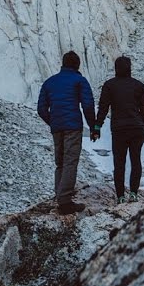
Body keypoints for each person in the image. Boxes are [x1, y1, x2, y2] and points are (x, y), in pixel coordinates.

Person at [36, 51, 98, 215]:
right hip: (72, 126)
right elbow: (87, 105)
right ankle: (64, 201)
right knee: (70, 161)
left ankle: (60, 196)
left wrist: (53, 121)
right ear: (77, 65)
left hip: (57, 127)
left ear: (63, 64)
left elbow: (41, 109)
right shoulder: (79, 80)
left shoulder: (50, 82)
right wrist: (93, 127)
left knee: (60, 162)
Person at [95, 55, 144, 204]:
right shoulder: (138, 85)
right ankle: (133, 193)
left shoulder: (109, 85)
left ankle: (120, 196)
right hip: (136, 128)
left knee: (119, 163)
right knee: (135, 160)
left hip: (119, 129)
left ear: (116, 69)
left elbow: (103, 107)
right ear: (130, 68)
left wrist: (97, 126)